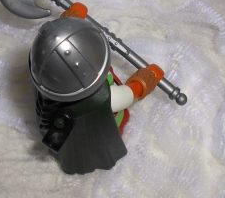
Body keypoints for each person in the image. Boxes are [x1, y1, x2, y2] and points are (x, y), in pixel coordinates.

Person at [30, 17, 163, 175]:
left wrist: (69, 22)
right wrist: (144, 81)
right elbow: (128, 95)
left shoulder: (50, 77)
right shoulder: (104, 98)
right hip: (100, 125)